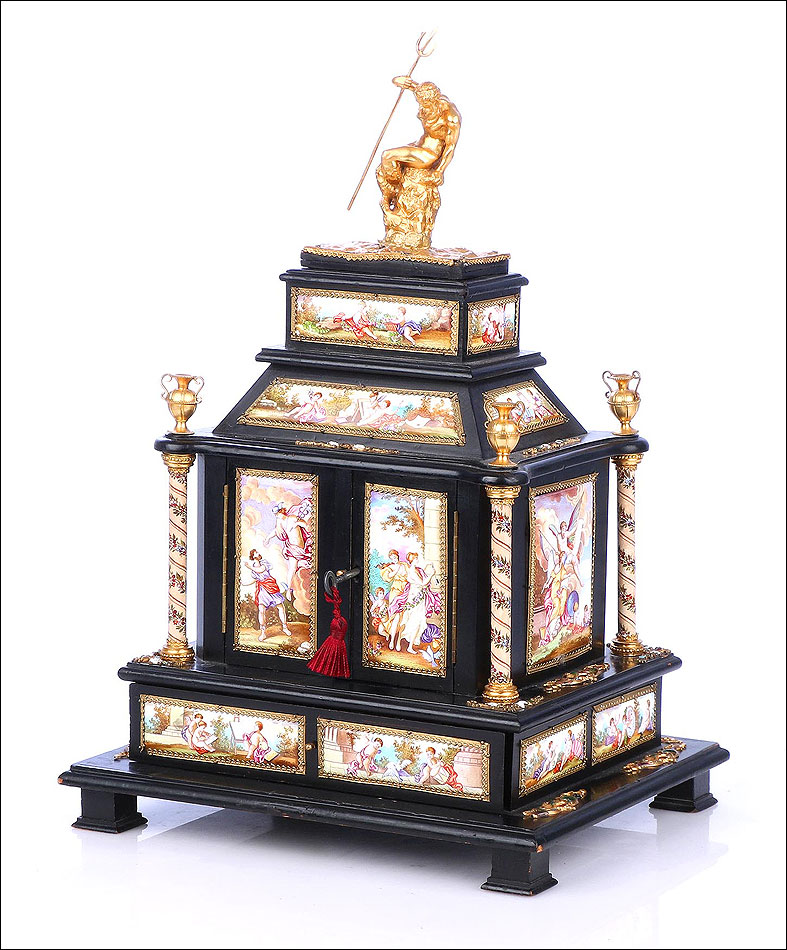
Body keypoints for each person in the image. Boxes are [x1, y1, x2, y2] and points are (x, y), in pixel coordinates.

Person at [242, 551, 292, 641]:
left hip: (271, 586)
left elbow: (261, 570)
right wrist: (243, 583)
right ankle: (263, 632)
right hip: (262, 591)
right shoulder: (253, 569)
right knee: (261, 611)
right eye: (256, 553)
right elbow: (255, 579)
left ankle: (285, 627)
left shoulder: (264, 563)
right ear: (253, 556)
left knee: (280, 607)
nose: (258, 553)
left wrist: (249, 567)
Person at [266, 503, 312, 600]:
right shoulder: (280, 525)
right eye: (276, 515)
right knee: (292, 568)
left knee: (307, 566)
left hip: (303, 548)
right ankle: (288, 590)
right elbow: (275, 532)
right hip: (292, 549)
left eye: (278, 513)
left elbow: (305, 525)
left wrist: (298, 523)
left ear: (282, 511)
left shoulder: (292, 518)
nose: (278, 516)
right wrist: (268, 538)